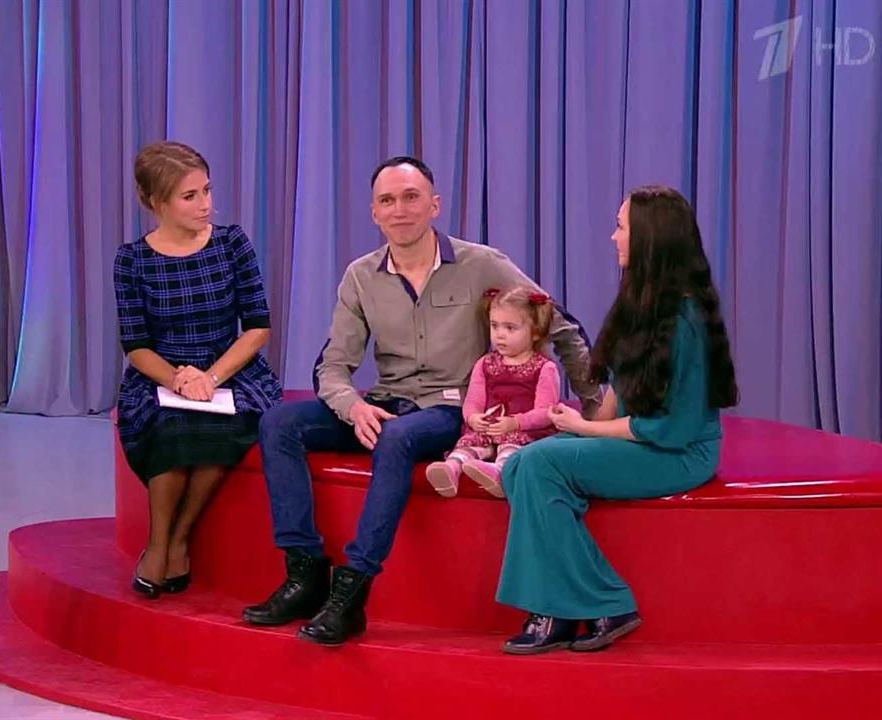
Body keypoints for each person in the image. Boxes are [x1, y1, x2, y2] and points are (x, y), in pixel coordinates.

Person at [242, 156, 601, 646]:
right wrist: (353, 406)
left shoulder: (482, 264)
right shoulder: (360, 275)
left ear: (434, 205)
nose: (400, 210)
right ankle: (304, 573)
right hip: (386, 401)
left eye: (411, 197)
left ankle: (352, 592)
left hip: (453, 409)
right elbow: (332, 365)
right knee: (280, 423)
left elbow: (559, 324)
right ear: (374, 212)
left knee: (397, 437)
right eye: (387, 200)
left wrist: (592, 406)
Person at [496, 185, 739, 654]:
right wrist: (582, 422)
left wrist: (584, 431)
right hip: (638, 440)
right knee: (522, 464)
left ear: (649, 237)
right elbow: (621, 388)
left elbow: (670, 430)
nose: (613, 237)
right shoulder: (641, 299)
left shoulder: (685, 318)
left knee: (542, 464)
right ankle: (568, 608)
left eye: (621, 226)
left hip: (676, 453)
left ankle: (586, 604)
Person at [113, 141, 282, 599]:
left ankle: (178, 539)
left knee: (221, 426)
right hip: (162, 374)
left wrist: (210, 378)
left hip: (230, 369)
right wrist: (178, 380)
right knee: (170, 427)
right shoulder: (132, 260)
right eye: (190, 196)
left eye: (207, 190)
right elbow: (136, 346)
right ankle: (158, 543)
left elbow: (258, 328)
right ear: (157, 202)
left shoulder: (231, 243)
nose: (205, 203)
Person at [425, 286, 560, 498]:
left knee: (512, 444)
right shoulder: (485, 364)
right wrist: (473, 417)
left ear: (535, 332)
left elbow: (545, 412)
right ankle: (451, 468)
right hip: (490, 429)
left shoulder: (544, 368)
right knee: (470, 441)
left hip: (524, 431)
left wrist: (515, 423)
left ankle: (500, 472)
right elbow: (473, 401)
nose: (500, 335)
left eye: (510, 328)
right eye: (494, 326)